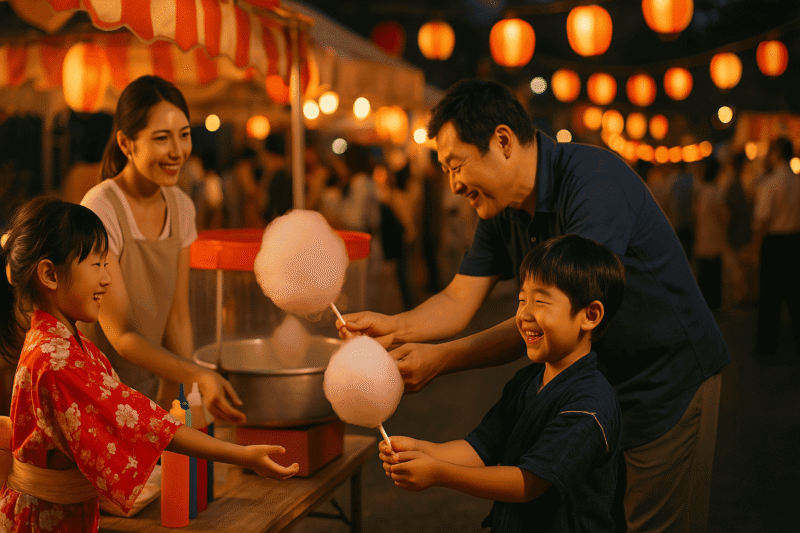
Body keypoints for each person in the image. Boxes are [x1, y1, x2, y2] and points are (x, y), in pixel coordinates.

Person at [339, 79, 730, 532]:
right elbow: (459, 296)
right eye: (444, 170)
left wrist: (443, 358)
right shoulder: (500, 204)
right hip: (595, 386)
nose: (453, 184)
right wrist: (393, 327)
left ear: (502, 141)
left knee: (651, 522)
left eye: (456, 164)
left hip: (664, 380)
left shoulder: (592, 183)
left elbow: (553, 317)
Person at [0, 197, 298, 533]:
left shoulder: (61, 344)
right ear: (49, 274)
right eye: (96, 265)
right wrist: (243, 456)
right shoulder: (57, 361)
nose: (107, 279)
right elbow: (148, 425)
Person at [381, 235, 624, 532]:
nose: (524, 314)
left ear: (590, 315)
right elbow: (481, 447)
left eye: (541, 302)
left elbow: (529, 482)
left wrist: (439, 472)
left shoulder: (590, 406)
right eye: (522, 300)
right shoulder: (527, 381)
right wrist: (424, 451)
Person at [80, 75, 245, 422]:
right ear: (126, 143)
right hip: (98, 393)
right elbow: (121, 335)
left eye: (184, 135)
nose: (177, 152)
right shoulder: (101, 208)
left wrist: (185, 396)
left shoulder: (182, 206)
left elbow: (178, 318)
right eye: (161, 138)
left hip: (151, 385)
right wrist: (196, 374)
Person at [748, 137, 800, 355]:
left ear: (776, 153)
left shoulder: (770, 183)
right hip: (795, 241)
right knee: (795, 294)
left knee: (770, 296)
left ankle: (768, 345)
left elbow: (763, 220)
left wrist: (755, 247)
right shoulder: (797, 181)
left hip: (774, 242)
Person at [693, 154, 728, 310]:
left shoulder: (701, 192)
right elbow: (725, 217)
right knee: (713, 277)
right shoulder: (715, 192)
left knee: (704, 277)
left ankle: (705, 307)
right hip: (713, 241)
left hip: (702, 240)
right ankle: (713, 306)